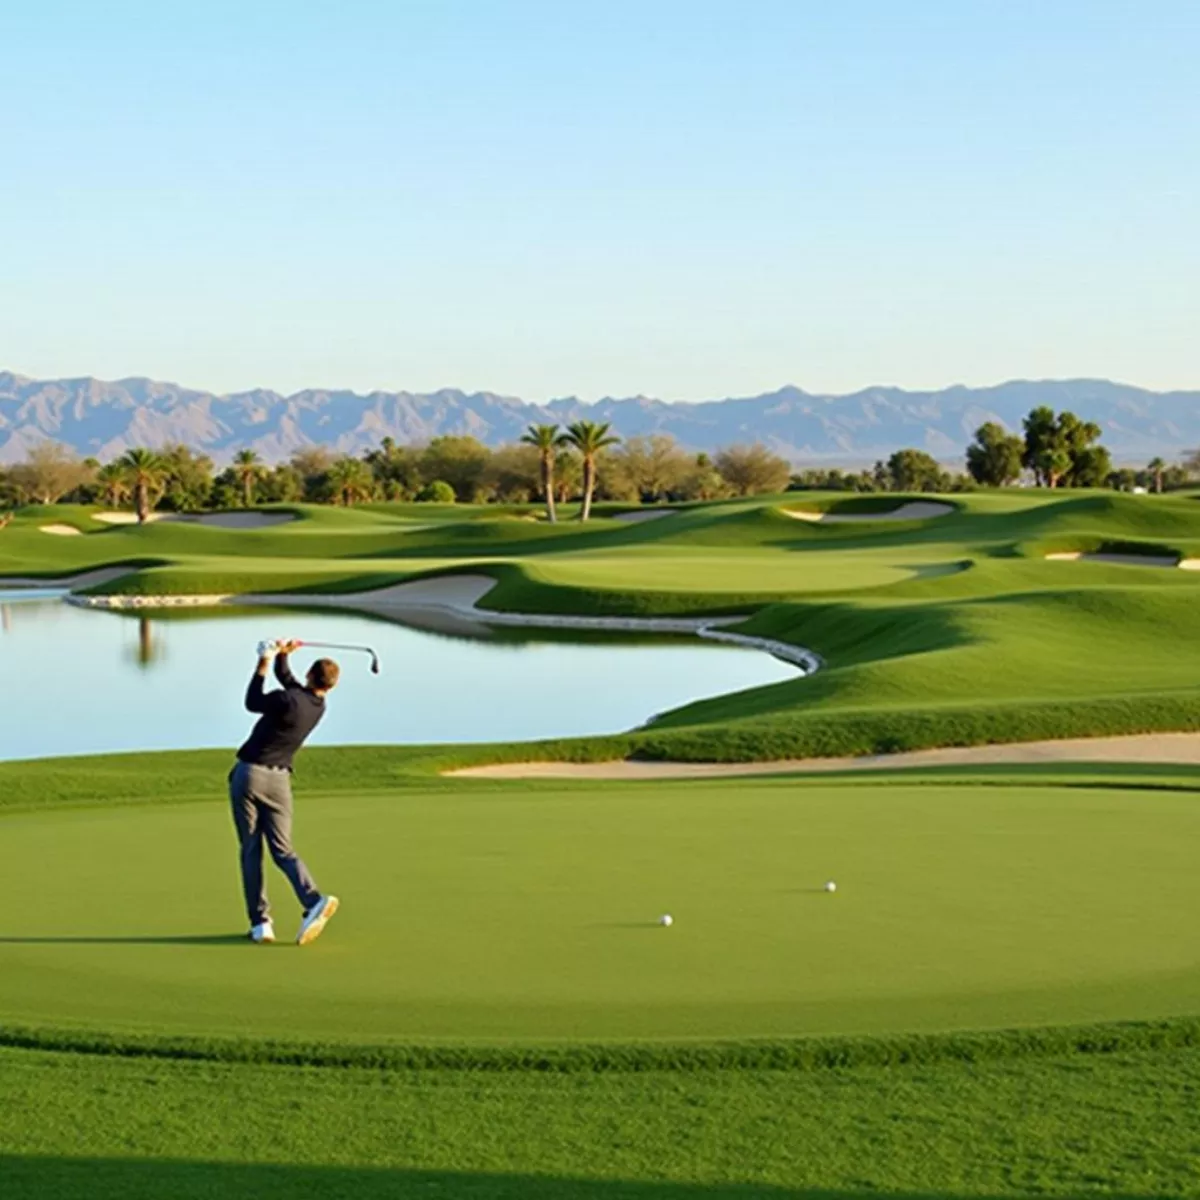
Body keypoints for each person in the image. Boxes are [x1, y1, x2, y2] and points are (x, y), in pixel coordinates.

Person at [229, 638, 340, 945]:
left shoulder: (287, 700)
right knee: (283, 851)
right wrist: (282, 658)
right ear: (329, 685)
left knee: (251, 850)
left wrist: (264, 661)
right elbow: (292, 687)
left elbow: (252, 702)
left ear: (310, 675)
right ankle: (312, 899)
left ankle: (261, 923)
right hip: (280, 783)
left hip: (249, 774)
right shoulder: (317, 706)